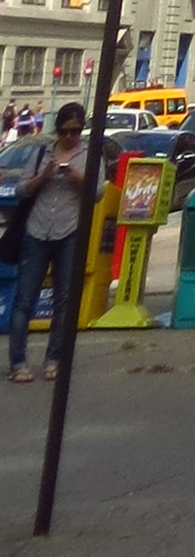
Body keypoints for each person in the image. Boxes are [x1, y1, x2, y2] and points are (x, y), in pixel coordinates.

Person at [8, 104, 88, 382]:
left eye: (75, 131)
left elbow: (98, 191)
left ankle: (53, 360)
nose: (70, 137)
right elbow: (21, 189)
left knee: (64, 301)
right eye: (65, 131)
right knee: (24, 300)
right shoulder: (41, 153)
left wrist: (75, 175)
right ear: (57, 130)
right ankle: (18, 362)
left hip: (69, 233)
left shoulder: (88, 155)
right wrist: (44, 176)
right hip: (37, 232)